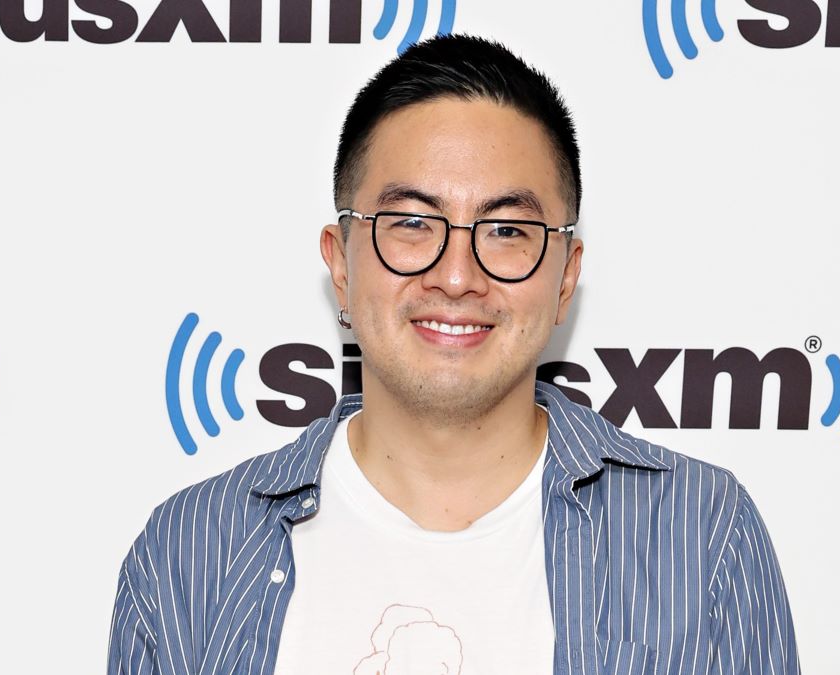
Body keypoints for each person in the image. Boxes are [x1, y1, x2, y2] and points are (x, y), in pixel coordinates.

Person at [109, 35, 799, 675]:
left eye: (505, 229)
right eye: (411, 223)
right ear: (341, 265)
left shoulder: (703, 534)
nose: (458, 275)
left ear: (564, 276)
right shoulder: (189, 550)